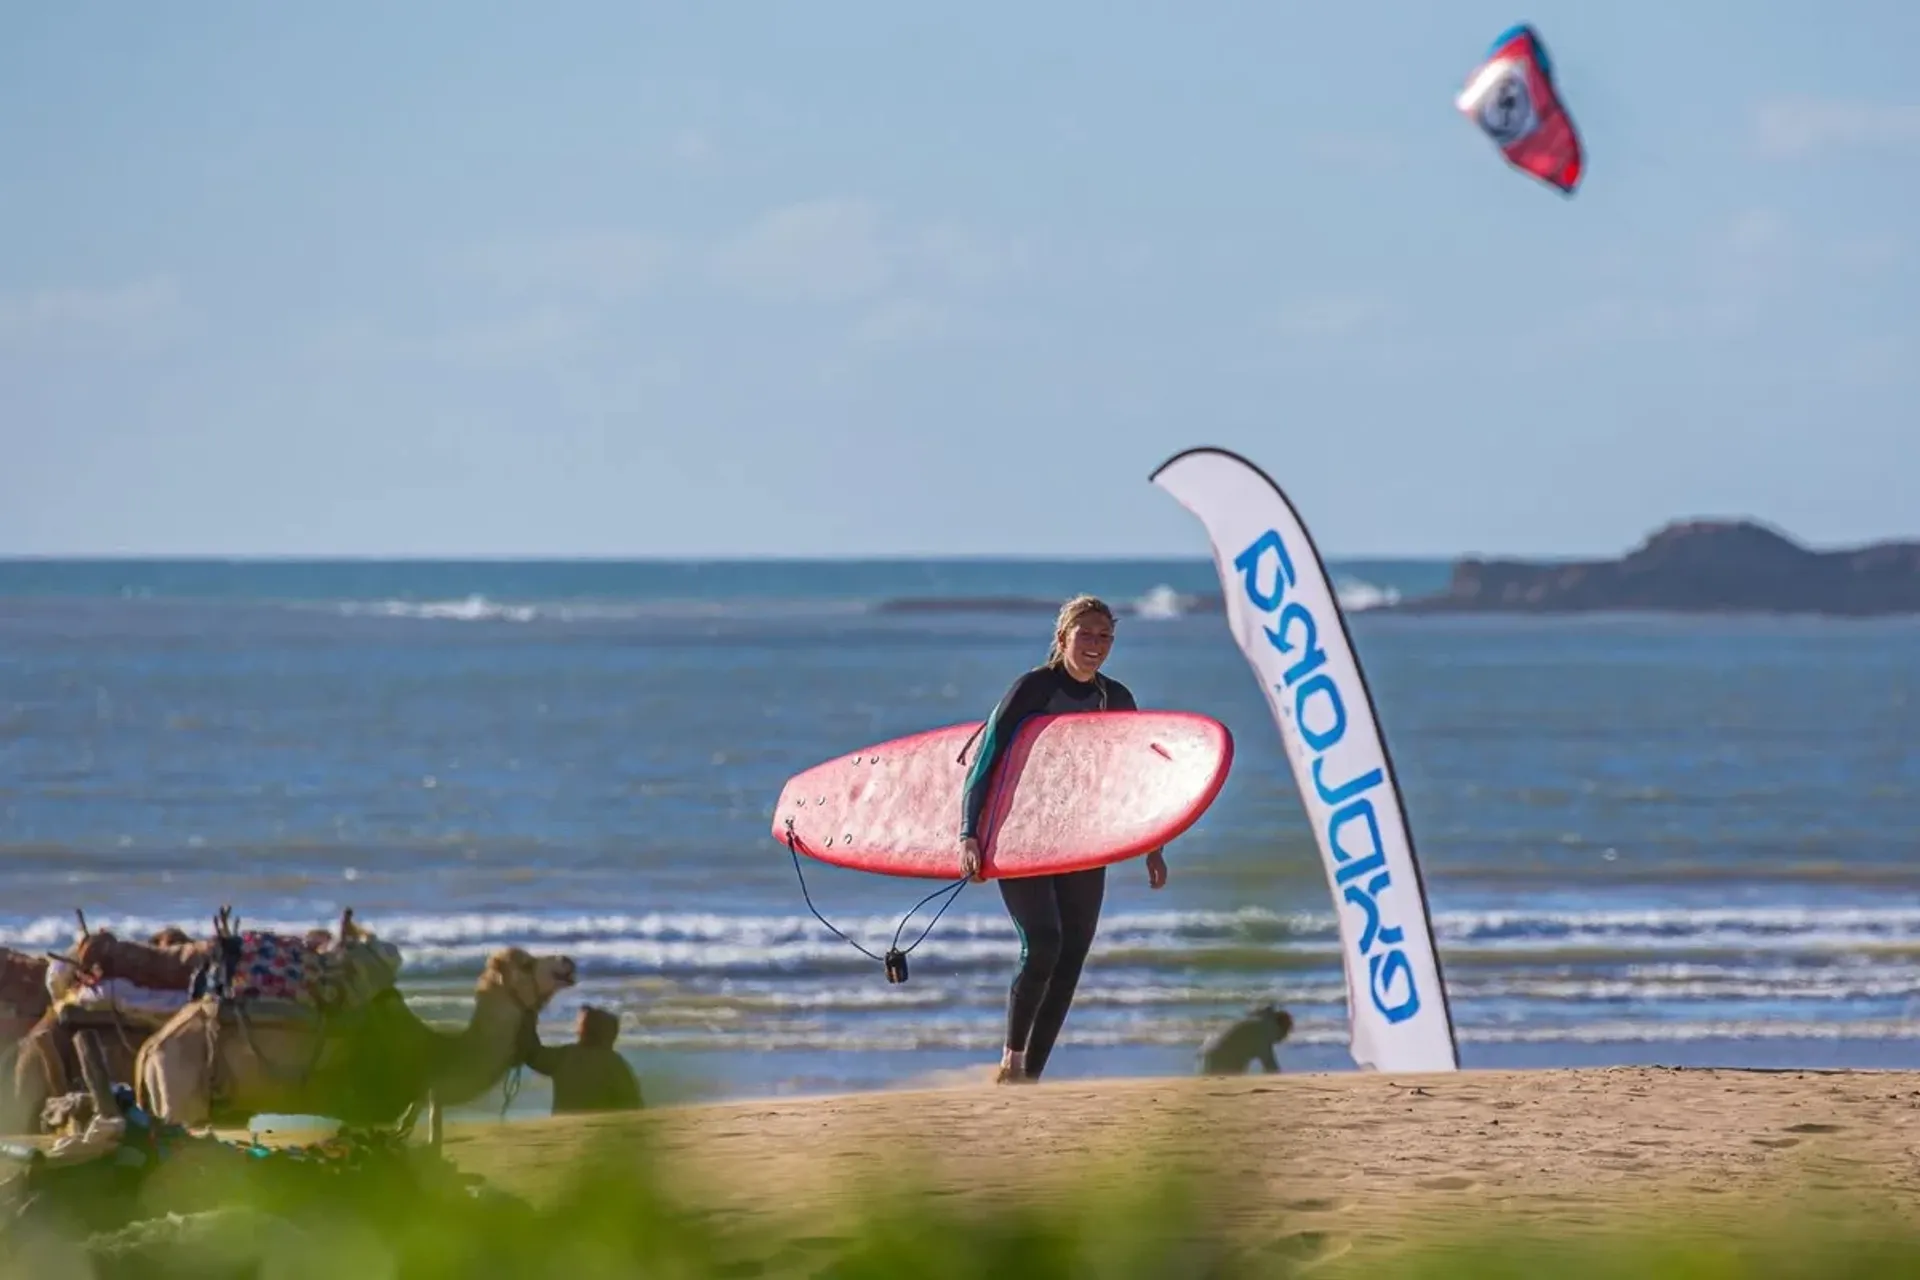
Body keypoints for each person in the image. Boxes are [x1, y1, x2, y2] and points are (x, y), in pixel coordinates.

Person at [958, 594, 1169, 1086]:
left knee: (1072, 953)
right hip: (1021, 837)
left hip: (1080, 843)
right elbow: (985, 760)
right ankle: (1011, 1058)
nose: (1095, 645)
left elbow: (1134, 778)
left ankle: (1029, 1075)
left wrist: (1154, 845)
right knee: (1045, 943)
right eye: (1086, 634)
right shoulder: (1033, 688)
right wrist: (969, 833)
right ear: (1062, 638)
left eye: (1105, 636)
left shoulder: (1116, 699)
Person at [520, 1005, 644, 1114]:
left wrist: (527, 1020)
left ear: (585, 1031)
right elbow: (633, 1105)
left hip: (566, 1130)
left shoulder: (565, 1056)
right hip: (602, 1132)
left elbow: (532, 1053)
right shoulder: (615, 1064)